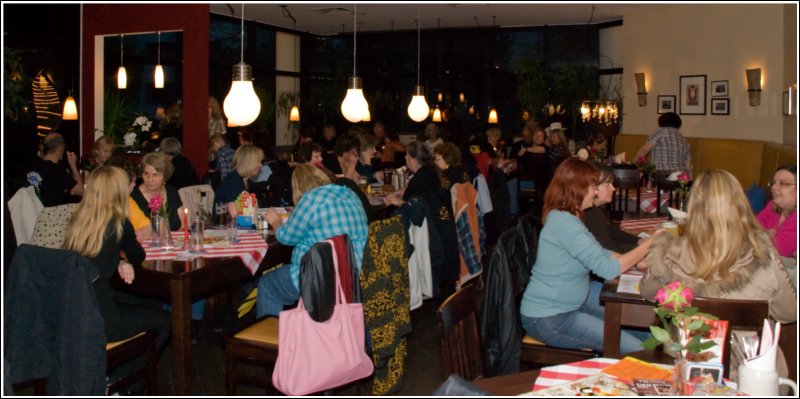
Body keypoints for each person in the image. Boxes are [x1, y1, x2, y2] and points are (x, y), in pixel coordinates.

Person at [640, 169, 796, 374]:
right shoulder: (763, 256)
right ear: (740, 205)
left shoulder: (670, 253)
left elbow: (647, 292)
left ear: (694, 208)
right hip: (748, 370)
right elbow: (788, 313)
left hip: (687, 366)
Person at [520, 158, 654, 354]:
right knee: (637, 350)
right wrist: (650, 243)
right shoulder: (565, 223)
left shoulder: (570, 216)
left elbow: (601, 253)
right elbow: (606, 269)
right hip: (550, 317)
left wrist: (637, 261)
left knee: (644, 333)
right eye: (593, 186)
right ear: (578, 188)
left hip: (571, 304)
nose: (596, 191)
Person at [61, 166, 171, 364]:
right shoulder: (118, 222)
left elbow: (92, 256)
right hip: (103, 319)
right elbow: (138, 255)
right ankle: (124, 382)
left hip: (75, 311)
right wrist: (126, 259)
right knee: (166, 320)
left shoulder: (78, 220)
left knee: (138, 302)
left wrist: (120, 260)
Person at [255, 164, 368, 317]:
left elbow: (286, 237)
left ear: (298, 186)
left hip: (322, 278)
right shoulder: (349, 193)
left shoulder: (310, 198)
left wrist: (275, 222)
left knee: (267, 285)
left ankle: (269, 340)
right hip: (355, 274)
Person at [585, 163, 640, 253]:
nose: (613, 188)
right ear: (592, 186)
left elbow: (609, 231)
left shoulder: (594, 210)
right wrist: (645, 247)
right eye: (608, 184)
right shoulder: (588, 213)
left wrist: (638, 240)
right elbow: (610, 249)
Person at [27, 132, 84, 206]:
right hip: (50, 213)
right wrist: (73, 165)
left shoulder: (33, 165)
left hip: (33, 211)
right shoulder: (57, 169)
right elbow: (80, 190)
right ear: (60, 148)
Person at [130, 151, 183, 231]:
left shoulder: (172, 192)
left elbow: (182, 225)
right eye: (146, 174)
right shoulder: (134, 197)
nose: (150, 179)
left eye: (155, 175)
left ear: (165, 176)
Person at [756, 165, 797, 258]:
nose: (774, 187)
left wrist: (761, 234)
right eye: (774, 183)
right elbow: (752, 226)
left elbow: (777, 250)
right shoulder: (773, 205)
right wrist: (764, 235)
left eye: (783, 183)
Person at [215, 144, 264, 218]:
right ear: (249, 163)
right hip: (224, 226)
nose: (261, 165)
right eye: (258, 162)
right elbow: (234, 215)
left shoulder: (243, 180)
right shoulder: (233, 182)